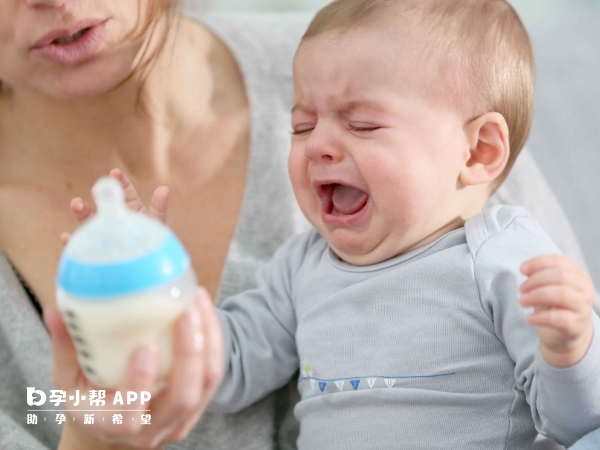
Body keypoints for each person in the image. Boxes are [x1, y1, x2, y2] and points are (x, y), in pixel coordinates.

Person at [0, 1, 593, 450]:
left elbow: (574, 423)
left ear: (479, 152)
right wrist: (154, 285)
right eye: (302, 126)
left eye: (361, 126)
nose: (318, 149)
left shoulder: (505, 258)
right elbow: (225, 373)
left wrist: (571, 350)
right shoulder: (302, 266)